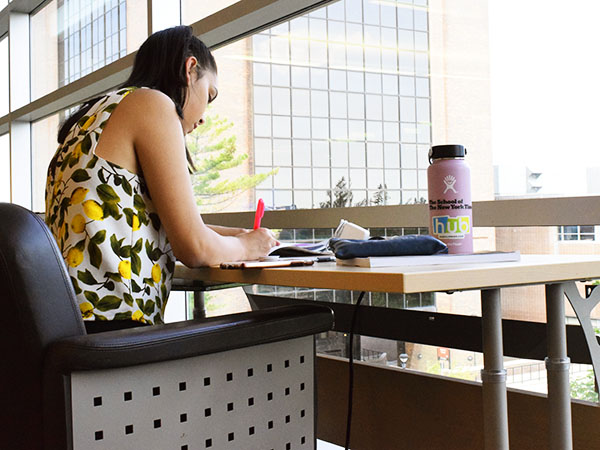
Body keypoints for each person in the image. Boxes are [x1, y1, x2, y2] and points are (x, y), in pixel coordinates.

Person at [45, 26, 279, 333]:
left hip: (71, 323)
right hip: (114, 326)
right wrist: (247, 248)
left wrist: (239, 235)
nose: (205, 115)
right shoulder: (151, 104)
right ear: (190, 68)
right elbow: (194, 248)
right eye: (209, 95)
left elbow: (135, 218)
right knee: (271, 329)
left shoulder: (93, 115)